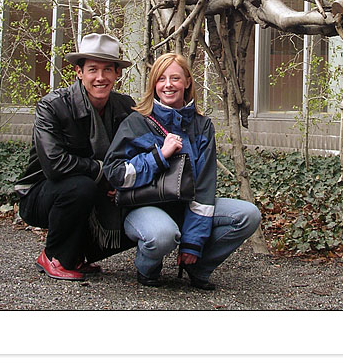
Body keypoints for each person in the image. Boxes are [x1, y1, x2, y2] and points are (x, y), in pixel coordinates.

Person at [103, 53, 261, 290]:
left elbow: (205, 186)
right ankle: (148, 268)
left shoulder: (202, 126)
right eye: (161, 79)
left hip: (187, 206)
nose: (168, 85)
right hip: (145, 207)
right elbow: (114, 173)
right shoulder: (137, 122)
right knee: (162, 235)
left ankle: (197, 266)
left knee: (248, 215)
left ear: (187, 82)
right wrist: (159, 156)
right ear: (154, 84)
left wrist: (192, 243)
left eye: (175, 78)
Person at [15, 33, 136, 281]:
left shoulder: (125, 106)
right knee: (81, 187)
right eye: (92, 69)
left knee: (139, 205)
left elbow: (136, 153)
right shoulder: (52, 106)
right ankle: (54, 256)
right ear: (79, 72)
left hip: (99, 189)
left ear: (117, 74)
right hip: (44, 194)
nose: (100, 78)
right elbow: (54, 165)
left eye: (107, 70)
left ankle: (77, 255)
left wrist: (121, 180)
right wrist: (105, 173)